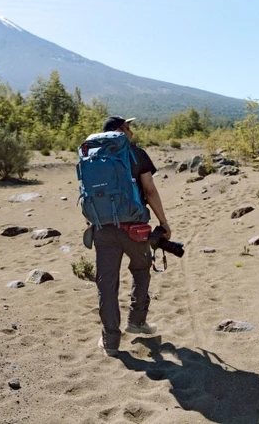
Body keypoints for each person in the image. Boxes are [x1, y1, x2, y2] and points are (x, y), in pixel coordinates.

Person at [93, 116, 171, 357]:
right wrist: (163, 222)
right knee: (140, 268)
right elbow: (149, 190)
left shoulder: (91, 155)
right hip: (134, 228)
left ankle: (111, 340)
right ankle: (136, 321)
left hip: (102, 228)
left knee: (106, 283)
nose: (132, 132)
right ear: (119, 131)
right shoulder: (136, 154)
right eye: (128, 128)